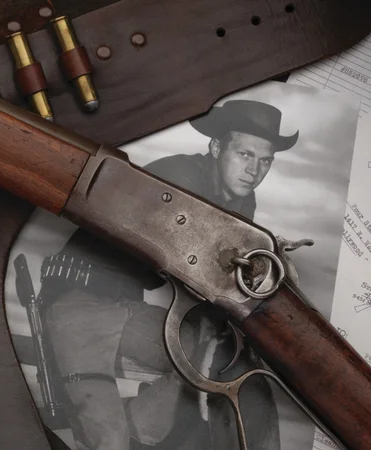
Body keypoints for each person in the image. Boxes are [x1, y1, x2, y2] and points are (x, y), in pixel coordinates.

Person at [38, 100, 299, 450]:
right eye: (244, 154)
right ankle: (121, 431)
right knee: (110, 443)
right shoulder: (179, 180)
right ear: (216, 147)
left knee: (198, 342)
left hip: (123, 308)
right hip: (79, 305)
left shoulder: (241, 201)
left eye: (264, 159)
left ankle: (138, 427)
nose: (254, 170)